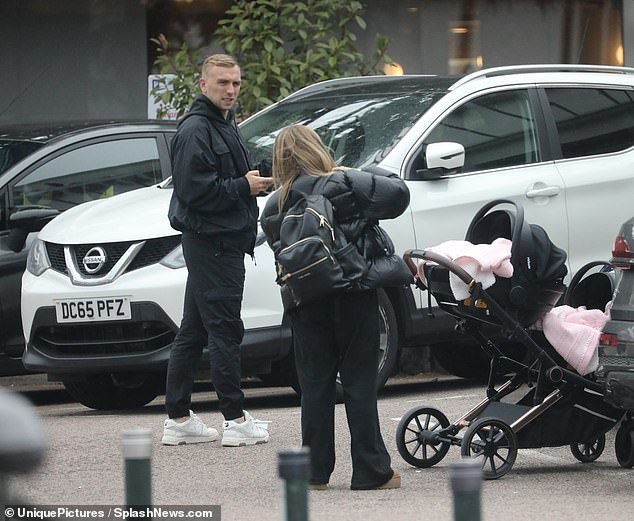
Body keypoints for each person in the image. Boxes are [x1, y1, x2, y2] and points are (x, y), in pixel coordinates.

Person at [260, 125, 410, 490]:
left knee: (314, 385)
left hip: (305, 300)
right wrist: (362, 171)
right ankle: (371, 471)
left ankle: (314, 472)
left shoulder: (274, 204)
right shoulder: (343, 183)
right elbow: (398, 196)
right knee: (359, 381)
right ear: (317, 148)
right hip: (353, 292)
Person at [161, 54, 274, 447]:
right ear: (203, 85)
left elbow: (225, 179)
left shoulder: (223, 125)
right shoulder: (196, 130)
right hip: (213, 244)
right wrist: (244, 187)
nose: (230, 90)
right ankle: (235, 419)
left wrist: (255, 178)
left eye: (236, 84)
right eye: (222, 83)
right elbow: (194, 192)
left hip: (218, 242)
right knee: (225, 330)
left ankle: (177, 417)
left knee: (193, 331)